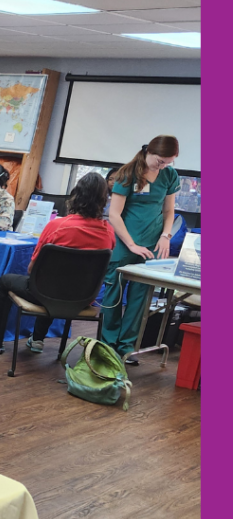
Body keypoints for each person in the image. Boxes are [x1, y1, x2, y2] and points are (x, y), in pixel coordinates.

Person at [0, 172, 116, 353]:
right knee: (59, 283)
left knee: (13, 281)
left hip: (44, 293)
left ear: (75, 196)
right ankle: (37, 339)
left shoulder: (56, 227)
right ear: (104, 201)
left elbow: (32, 268)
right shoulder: (109, 233)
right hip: (84, 299)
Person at [100, 135, 181, 364]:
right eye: (160, 160)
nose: (162, 165)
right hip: (126, 241)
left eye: (168, 161)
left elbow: (169, 211)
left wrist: (166, 236)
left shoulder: (169, 175)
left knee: (140, 298)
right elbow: (114, 215)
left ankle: (127, 347)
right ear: (149, 152)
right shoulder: (127, 174)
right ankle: (108, 345)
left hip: (152, 243)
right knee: (113, 295)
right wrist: (132, 244)